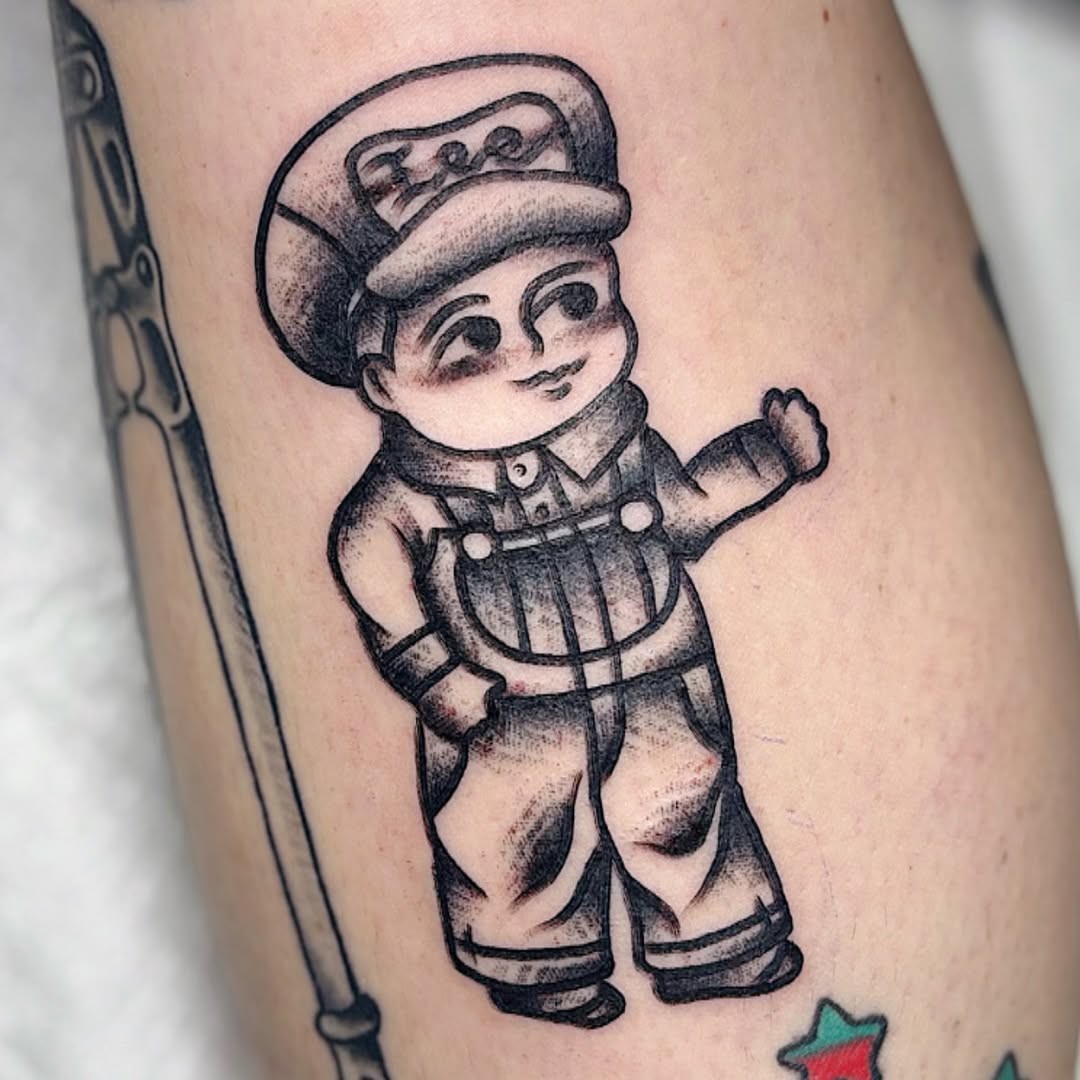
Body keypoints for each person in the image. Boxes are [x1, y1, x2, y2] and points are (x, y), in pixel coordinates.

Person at [51, 2, 1080, 1076]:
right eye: (471, 339)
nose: (540, 356)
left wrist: (767, 458)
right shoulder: (404, 500)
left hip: (655, 661)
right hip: (507, 703)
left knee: (681, 801)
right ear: (381, 380)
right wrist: (439, 678)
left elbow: (686, 505)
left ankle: (717, 940)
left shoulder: (623, 440)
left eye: (572, 301)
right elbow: (374, 573)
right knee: (512, 843)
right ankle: (536, 964)